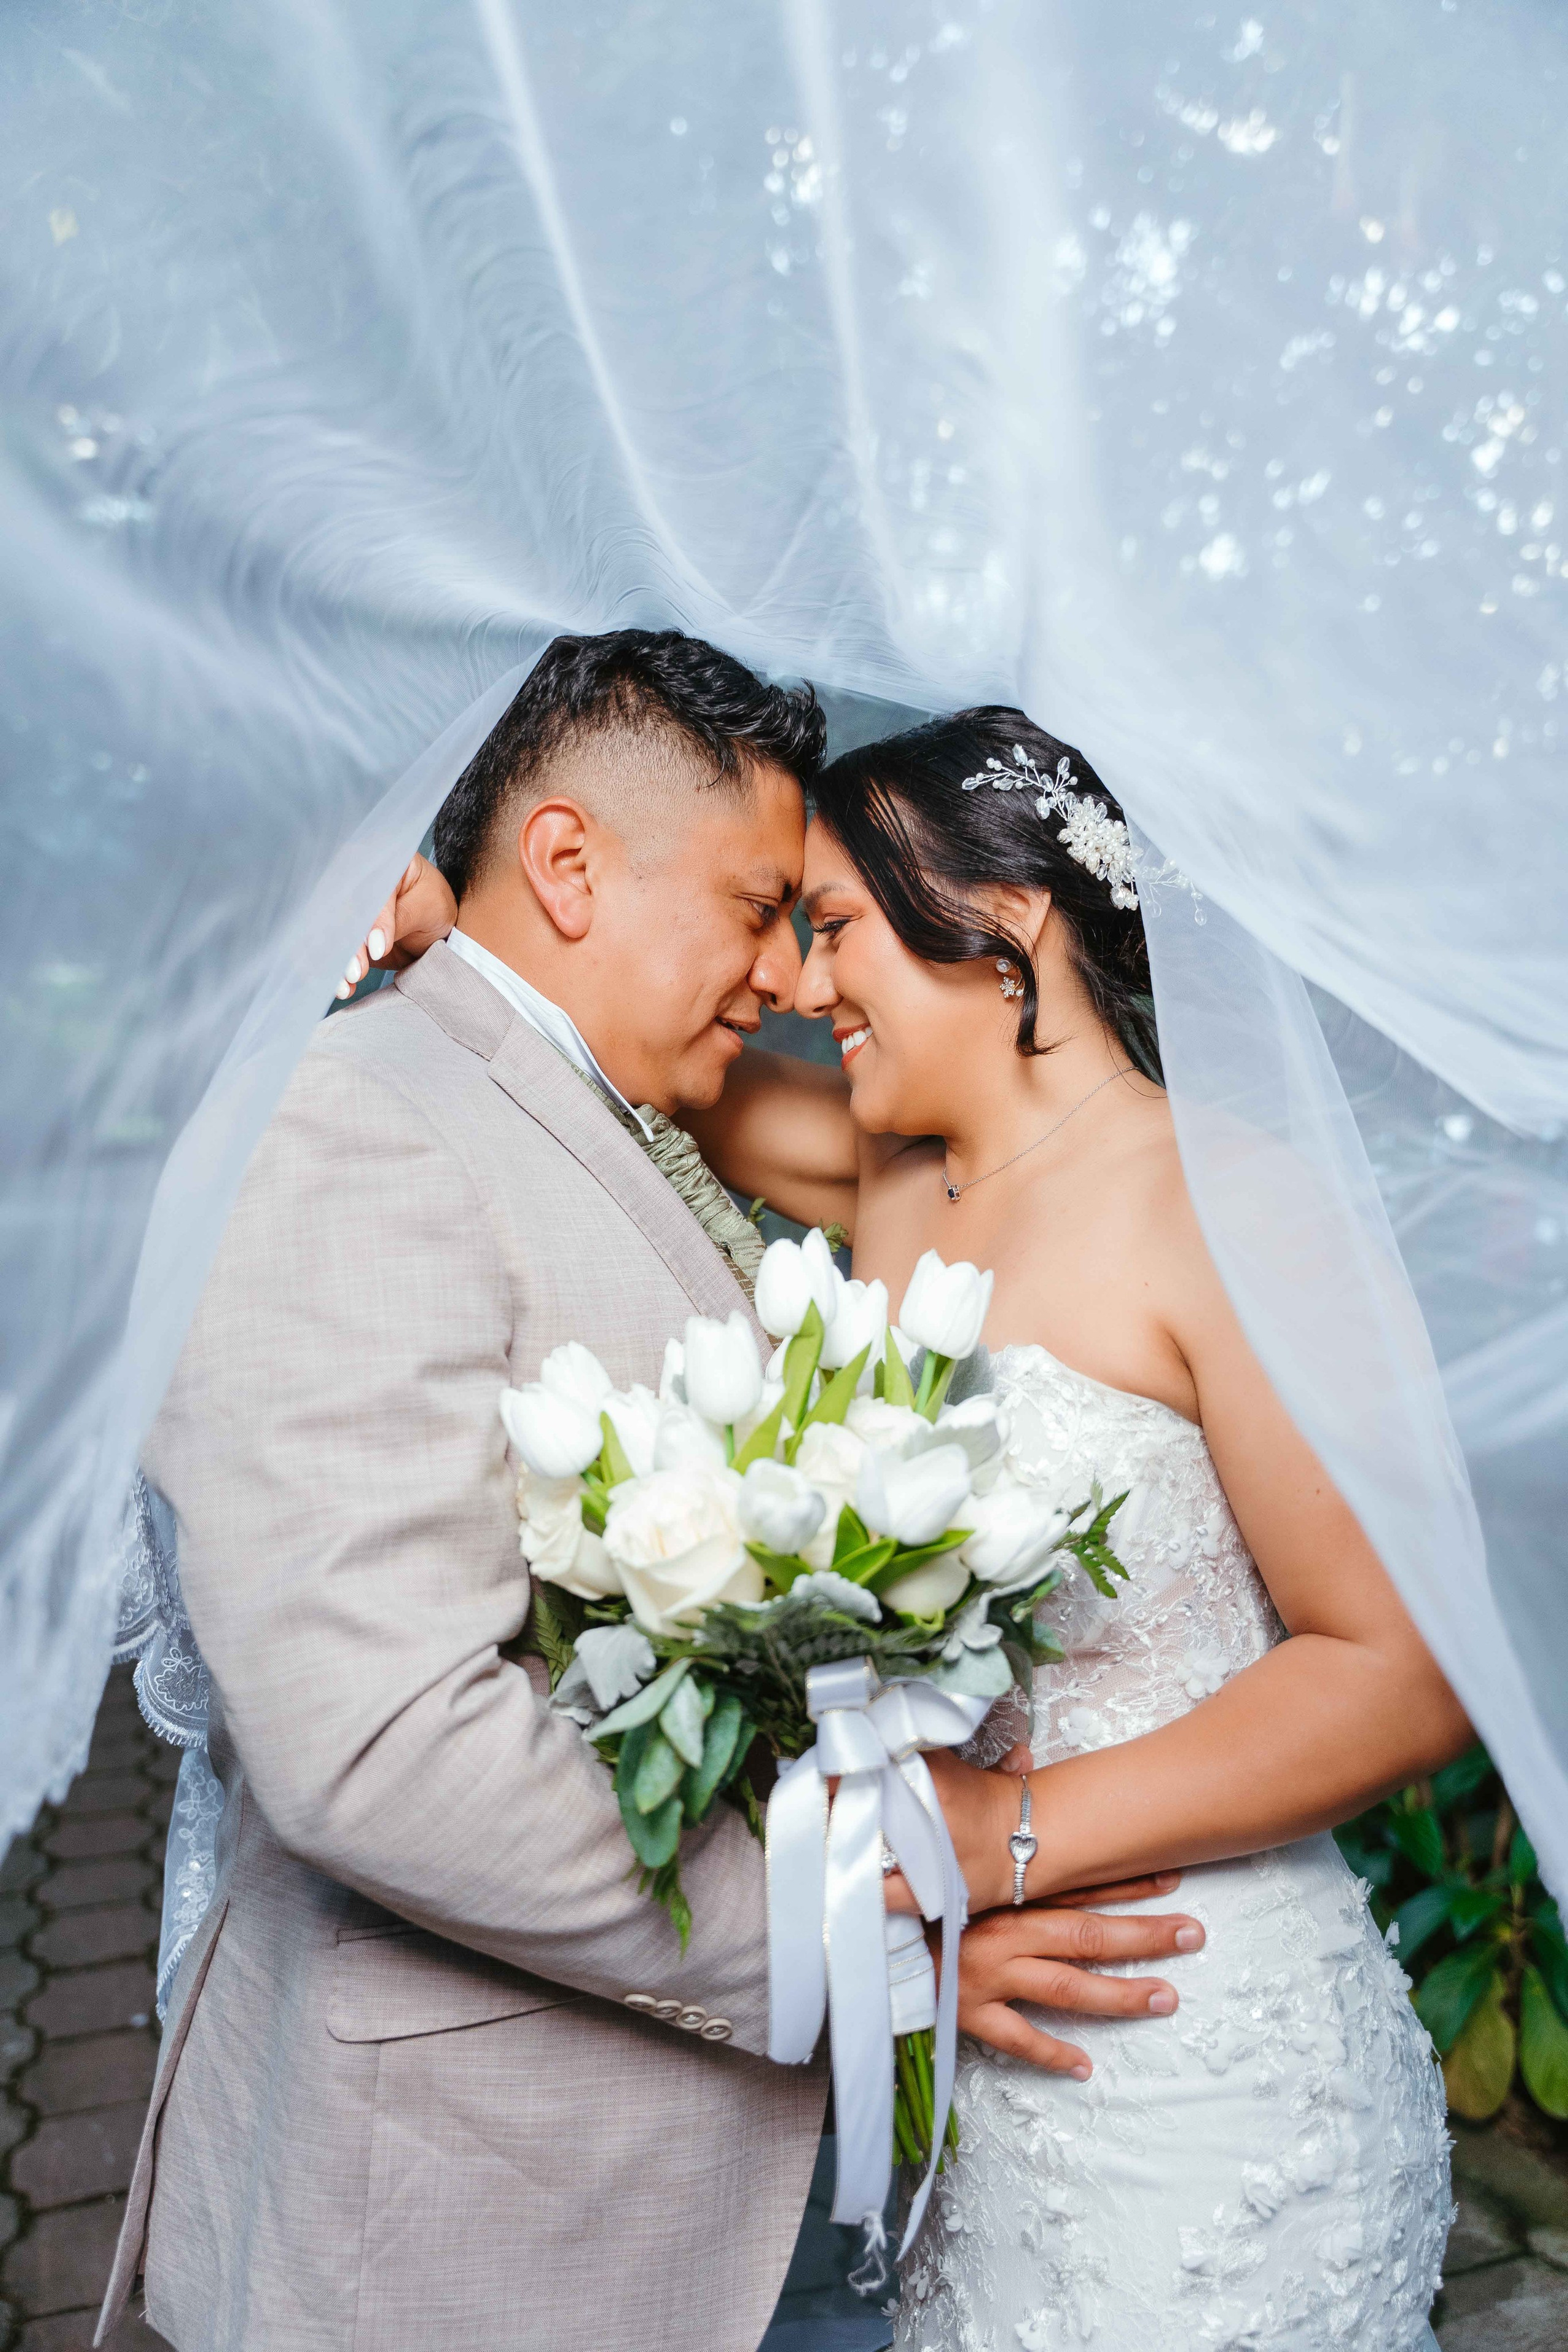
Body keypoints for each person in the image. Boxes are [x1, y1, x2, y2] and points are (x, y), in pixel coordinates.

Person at [102, 636, 1202, 2352]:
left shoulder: (580, 1112)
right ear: (566, 865)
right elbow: (382, 1747)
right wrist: (863, 1944)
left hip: (668, 2190)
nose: (782, 974)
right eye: (765, 905)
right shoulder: (362, 1121)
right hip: (471, 2233)